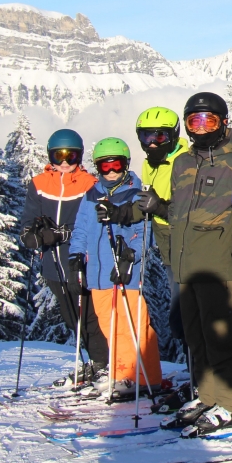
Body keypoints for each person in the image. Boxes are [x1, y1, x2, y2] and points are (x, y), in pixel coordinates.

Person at [134, 92, 232, 435]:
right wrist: (157, 207)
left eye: (208, 121)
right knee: (195, 336)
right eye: (193, 122)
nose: (201, 129)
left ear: (223, 123)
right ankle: (207, 394)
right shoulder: (183, 162)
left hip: (215, 261)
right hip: (183, 260)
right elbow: (178, 214)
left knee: (219, 335)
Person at [68, 137, 162, 398]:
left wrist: (130, 254)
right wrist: (76, 255)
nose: (111, 172)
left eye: (116, 165)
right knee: (110, 325)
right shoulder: (92, 194)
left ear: (126, 164)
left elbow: (146, 231)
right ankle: (123, 374)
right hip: (98, 274)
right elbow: (81, 230)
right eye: (104, 167)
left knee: (133, 324)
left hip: (126, 272)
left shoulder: (135, 193)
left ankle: (145, 377)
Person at [19, 128, 106, 385]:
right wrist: (31, 235)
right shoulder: (38, 184)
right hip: (52, 266)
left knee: (89, 316)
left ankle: (103, 363)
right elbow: (28, 219)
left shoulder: (89, 184)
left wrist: (62, 234)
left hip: (81, 262)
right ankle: (92, 363)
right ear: (51, 157)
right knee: (72, 318)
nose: (65, 162)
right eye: (59, 156)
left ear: (79, 156)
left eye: (71, 156)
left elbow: (93, 224)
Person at [133, 107, 190, 344]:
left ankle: (202, 372)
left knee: (185, 311)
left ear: (174, 135)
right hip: (165, 241)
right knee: (179, 314)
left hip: (185, 241)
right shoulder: (151, 163)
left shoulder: (185, 161)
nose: (153, 143)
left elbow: (189, 209)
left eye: (160, 136)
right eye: (147, 136)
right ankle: (194, 371)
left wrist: (160, 207)